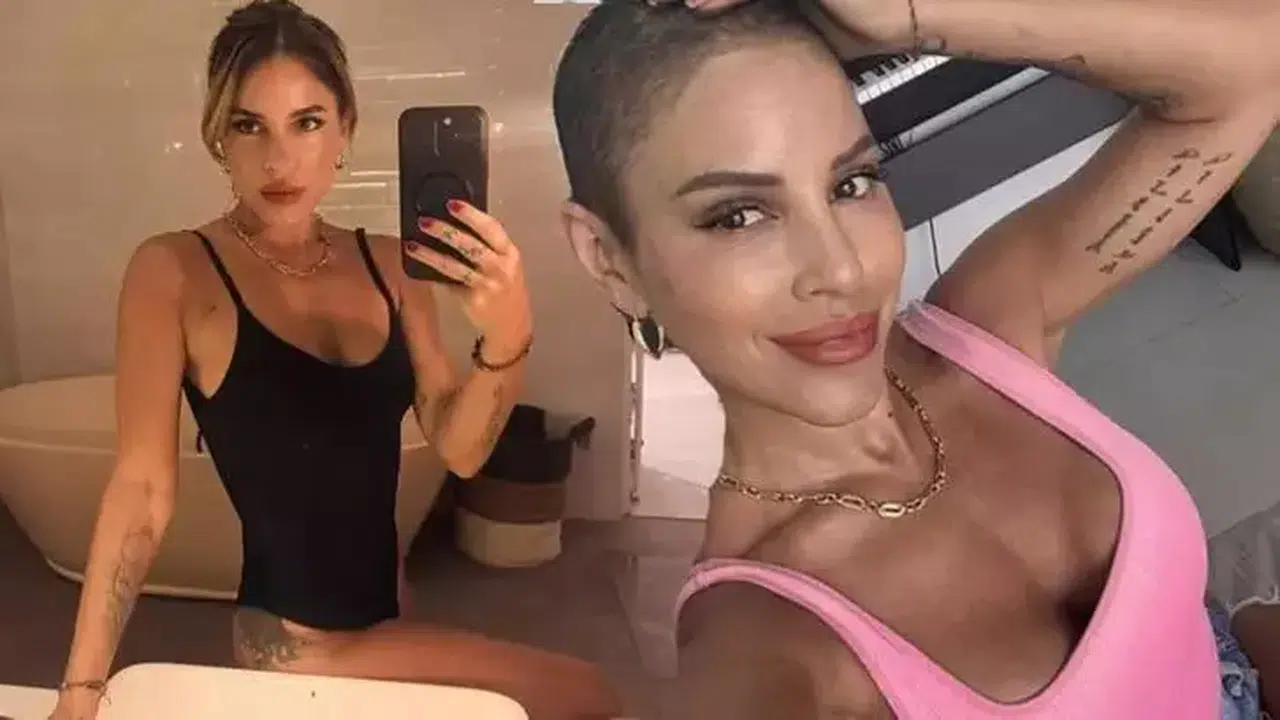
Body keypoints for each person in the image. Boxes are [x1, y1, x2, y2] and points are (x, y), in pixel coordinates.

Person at [551, 0, 1279, 718]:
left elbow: (1255, 68)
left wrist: (907, 15)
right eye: (738, 216)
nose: (842, 269)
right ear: (610, 261)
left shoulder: (984, 331)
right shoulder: (765, 643)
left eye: (852, 183)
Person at [48, 2, 620, 719]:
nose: (278, 159)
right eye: (249, 125)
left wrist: (508, 336)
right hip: (294, 642)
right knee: (587, 696)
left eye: (307, 122)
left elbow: (460, 448)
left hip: (391, 617)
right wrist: (80, 690)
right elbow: (141, 489)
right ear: (217, 135)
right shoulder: (175, 271)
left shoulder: (391, 265)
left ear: (345, 128)